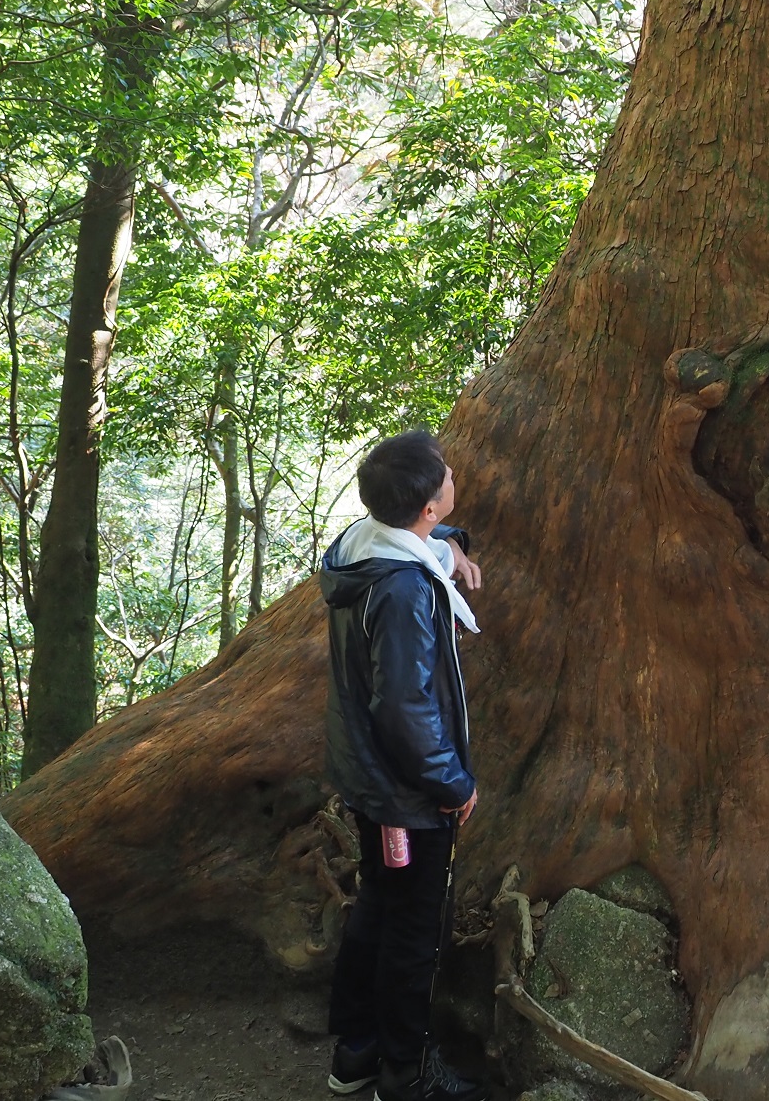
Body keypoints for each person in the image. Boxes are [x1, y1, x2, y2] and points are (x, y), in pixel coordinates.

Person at [321, 431, 488, 1101]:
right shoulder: (401, 593)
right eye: (444, 478)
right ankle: (405, 1074)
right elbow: (404, 708)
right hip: (405, 792)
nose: (453, 477)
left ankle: (357, 1053)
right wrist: (451, 784)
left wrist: (449, 543)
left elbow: (421, 534)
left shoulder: (363, 547)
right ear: (422, 509)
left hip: (367, 775)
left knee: (378, 910)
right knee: (413, 929)